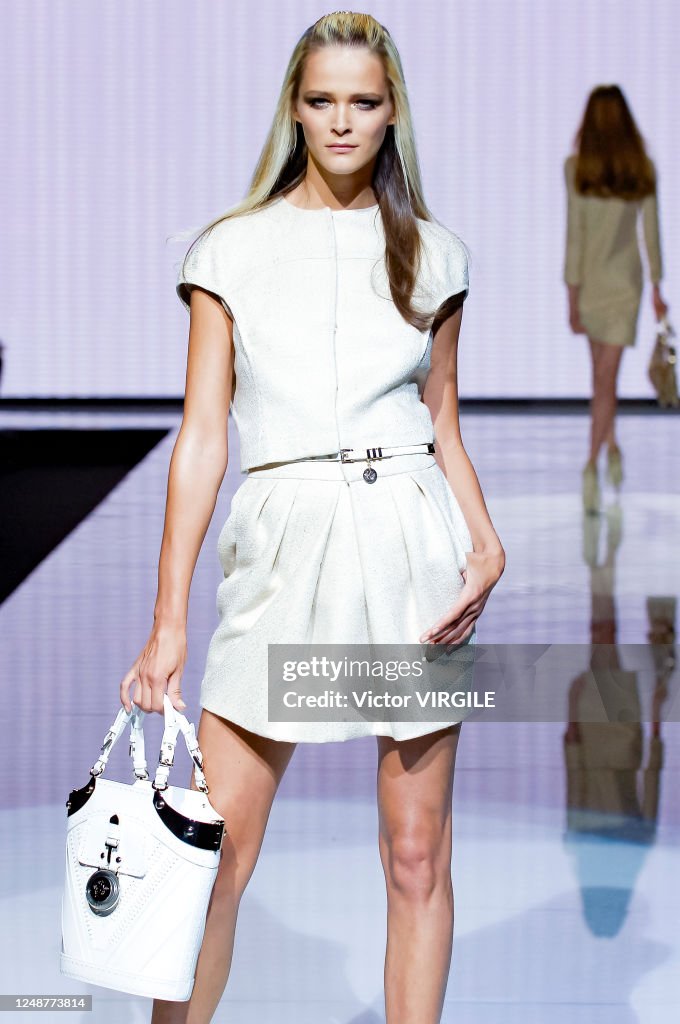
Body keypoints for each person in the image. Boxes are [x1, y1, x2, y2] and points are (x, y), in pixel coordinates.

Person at [120, 11, 505, 1024]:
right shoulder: (230, 250)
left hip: (408, 549)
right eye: (323, 100)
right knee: (213, 860)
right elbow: (202, 438)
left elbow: (442, 420)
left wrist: (484, 538)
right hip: (283, 554)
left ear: (392, 113)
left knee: (415, 851)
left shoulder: (433, 254)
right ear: (294, 107)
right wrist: (169, 619)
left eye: (363, 102)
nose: (342, 122)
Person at [563, 84, 669, 514]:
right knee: (602, 377)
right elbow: (650, 234)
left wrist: (572, 293)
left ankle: (591, 465)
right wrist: (657, 288)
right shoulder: (639, 167)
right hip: (625, 284)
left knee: (603, 378)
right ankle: (611, 449)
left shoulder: (578, 167)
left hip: (593, 284)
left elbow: (576, 237)